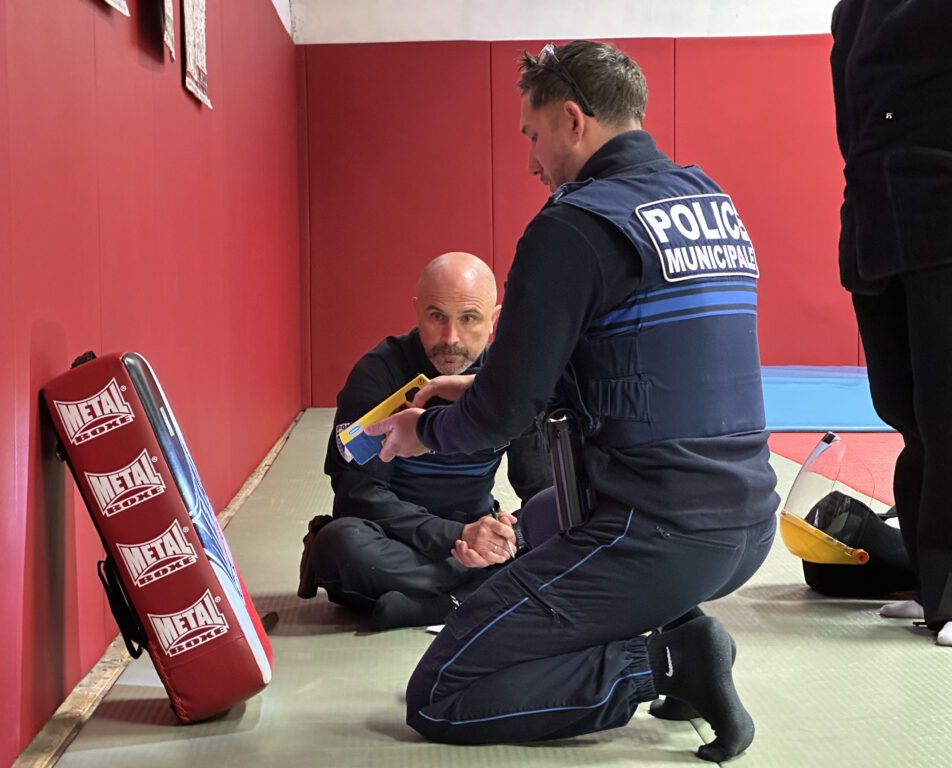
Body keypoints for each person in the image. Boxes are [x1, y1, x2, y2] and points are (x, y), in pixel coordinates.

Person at [364, 41, 778, 761]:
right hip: (747, 522)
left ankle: (664, 665)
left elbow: (503, 415)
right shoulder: (711, 203)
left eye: (531, 135)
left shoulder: (573, 224)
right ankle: (677, 626)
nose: (530, 161)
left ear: (573, 120)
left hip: (654, 532)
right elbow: (634, 360)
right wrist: (479, 386)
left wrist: (423, 432)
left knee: (441, 693)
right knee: (537, 521)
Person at [297, 252, 550, 631]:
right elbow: (359, 496)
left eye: (469, 319)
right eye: (436, 317)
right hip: (394, 539)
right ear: (417, 311)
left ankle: (435, 604)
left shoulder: (509, 380)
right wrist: (459, 538)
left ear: (495, 319)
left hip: (474, 535)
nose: (451, 339)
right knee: (337, 543)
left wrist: (506, 534)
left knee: (553, 531)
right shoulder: (378, 374)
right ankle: (475, 594)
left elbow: (541, 487)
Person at [830, 0, 952, 646]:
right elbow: (851, 122)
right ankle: (928, 575)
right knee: (905, 411)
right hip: (877, 226)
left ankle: (950, 584)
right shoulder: (853, 9)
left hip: (941, 219)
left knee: (947, 413)